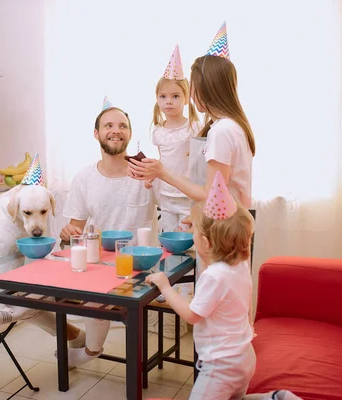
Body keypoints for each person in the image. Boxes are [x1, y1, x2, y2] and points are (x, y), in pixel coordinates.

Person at [129, 23, 256, 228]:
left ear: (206, 88)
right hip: (232, 226)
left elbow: (210, 194)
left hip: (224, 230)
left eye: (193, 86)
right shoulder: (231, 126)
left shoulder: (222, 131)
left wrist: (162, 172)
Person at [60, 100, 156, 366]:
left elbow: (175, 205)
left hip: (141, 264)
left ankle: (90, 351)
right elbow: (75, 227)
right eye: (109, 126)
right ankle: (86, 344)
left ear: (130, 134)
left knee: (98, 298)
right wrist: (69, 231)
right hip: (100, 261)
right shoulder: (84, 178)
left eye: (122, 126)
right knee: (41, 295)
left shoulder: (146, 172)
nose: (116, 130)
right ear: (96, 134)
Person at [145, 171, 255, 399]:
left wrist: (165, 286)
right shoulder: (241, 265)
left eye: (193, 229)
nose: (191, 233)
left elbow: (192, 315)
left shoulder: (214, 276)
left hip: (220, 366)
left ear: (205, 242)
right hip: (244, 356)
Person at [149, 45, 200, 233]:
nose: (168, 101)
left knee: (188, 239)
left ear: (186, 98)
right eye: (163, 96)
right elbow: (163, 160)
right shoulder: (158, 132)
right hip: (166, 195)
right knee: (168, 240)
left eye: (175, 96)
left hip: (187, 194)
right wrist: (150, 176)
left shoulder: (193, 127)